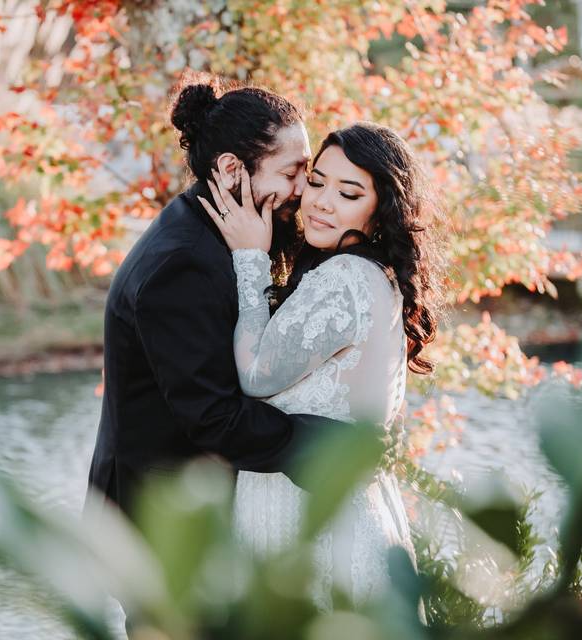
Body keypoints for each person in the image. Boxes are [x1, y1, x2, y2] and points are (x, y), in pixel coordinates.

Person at [85, 83, 354, 549]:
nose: (302, 192)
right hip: (164, 525)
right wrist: (329, 444)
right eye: (291, 173)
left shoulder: (222, 230)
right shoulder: (182, 264)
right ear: (231, 168)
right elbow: (214, 417)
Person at [199, 121, 444, 610]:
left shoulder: (345, 279)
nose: (322, 202)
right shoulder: (374, 276)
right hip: (332, 509)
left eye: (349, 193)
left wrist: (249, 258)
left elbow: (255, 374)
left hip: (317, 523)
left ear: (382, 214)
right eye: (316, 182)